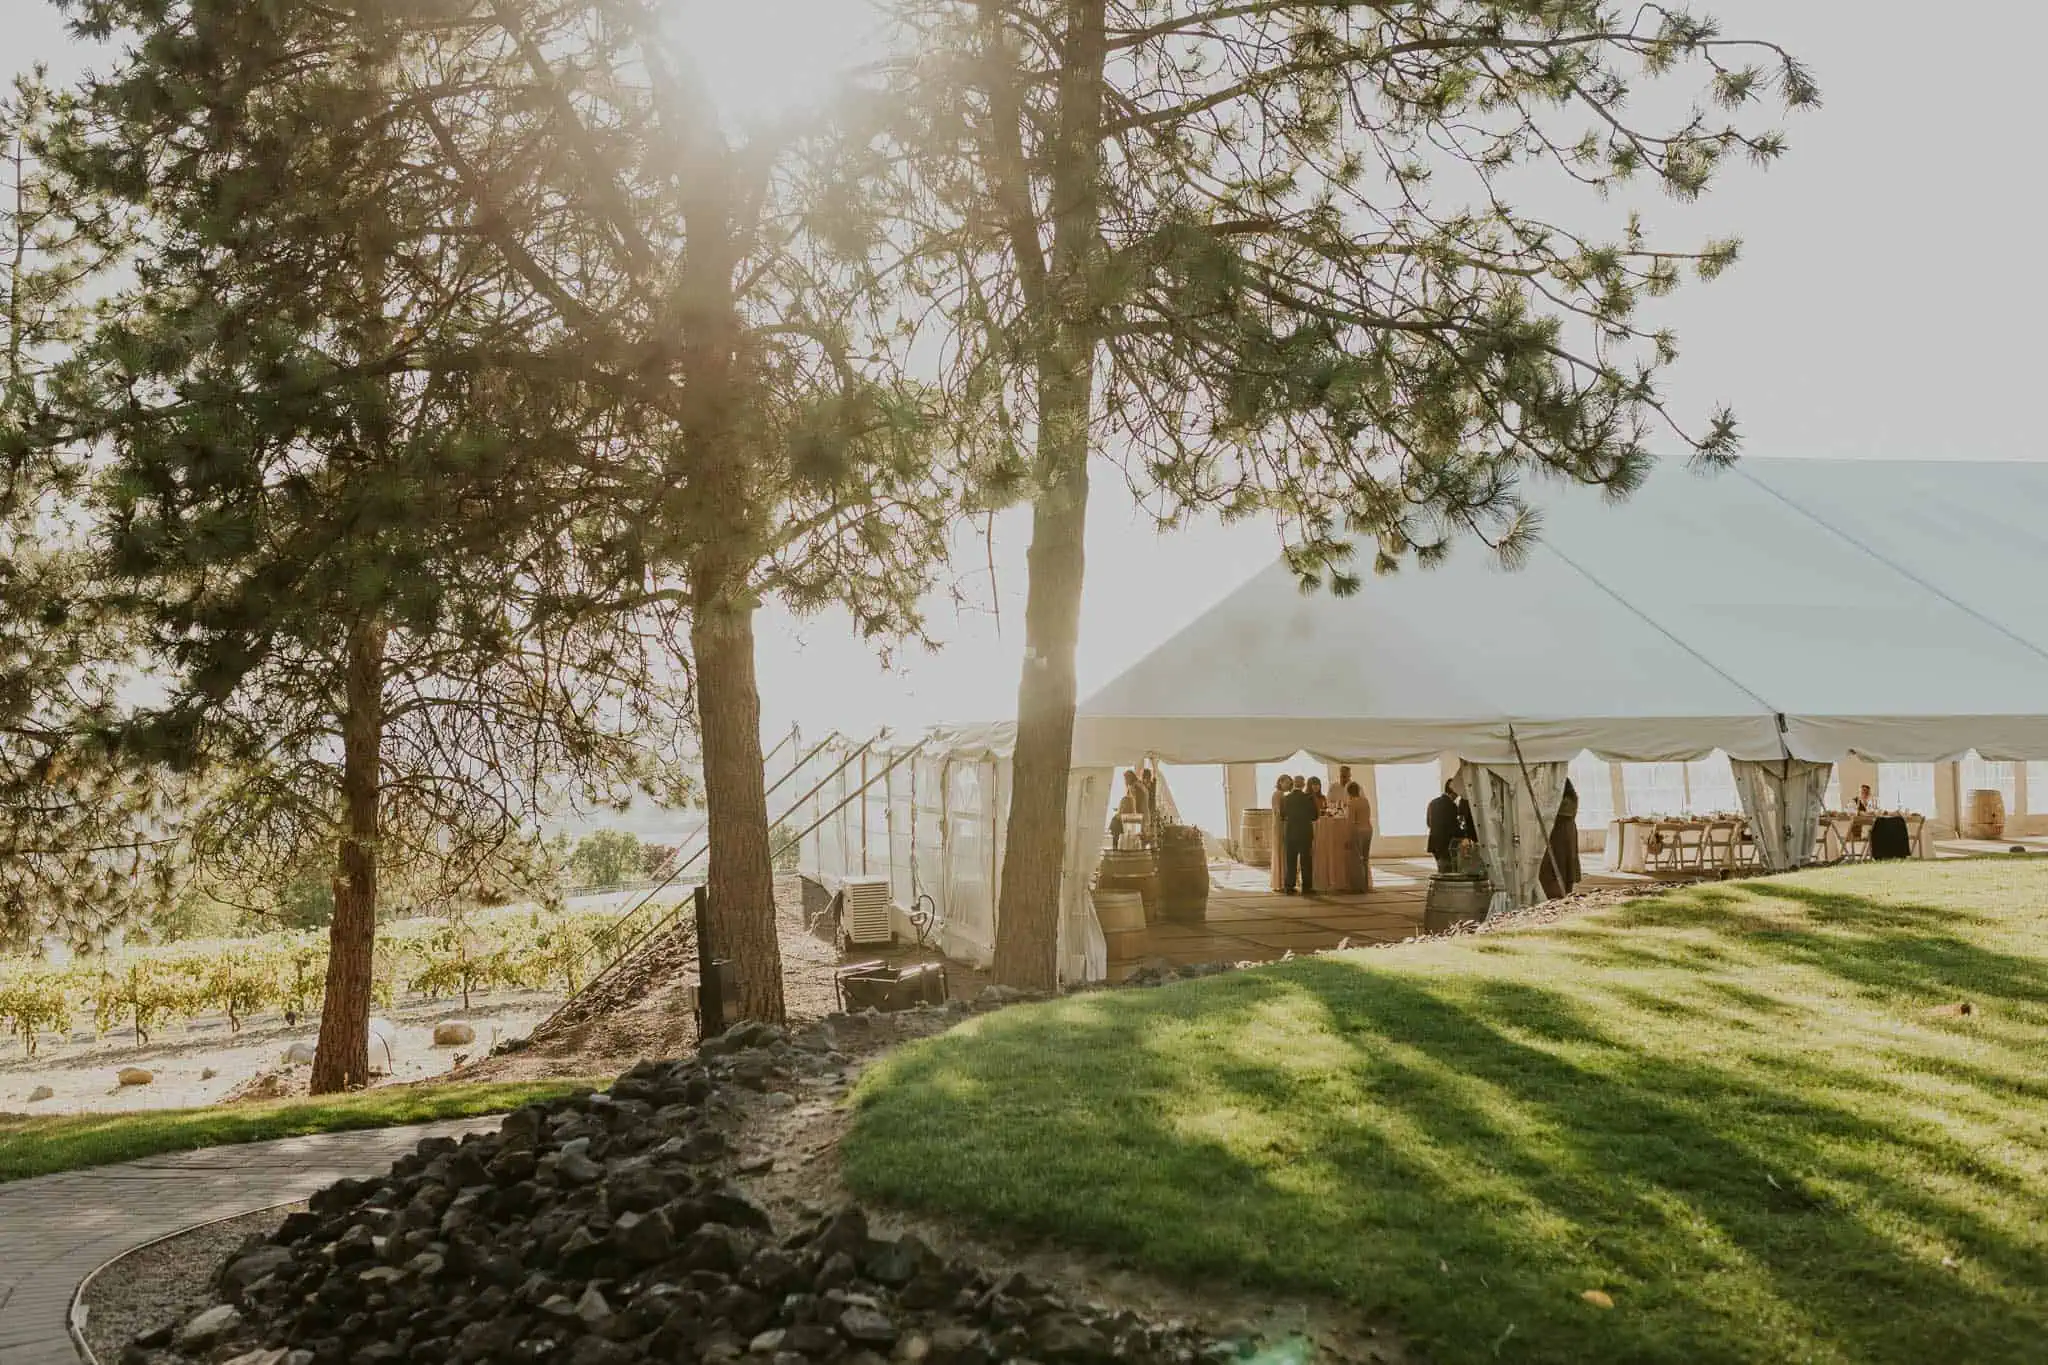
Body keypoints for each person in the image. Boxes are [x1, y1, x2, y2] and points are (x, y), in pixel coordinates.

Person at [1540, 777, 1582, 900]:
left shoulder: (1566, 798)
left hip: (1561, 832)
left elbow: (1566, 809)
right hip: (1556, 832)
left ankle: (1561, 893)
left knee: (1563, 863)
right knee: (1557, 864)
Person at [1427, 777, 1474, 874]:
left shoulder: (1433, 802)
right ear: (1454, 791)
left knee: (1441, 869)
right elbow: (1453, 828)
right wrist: (1465, 835)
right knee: (1447, 872)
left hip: (1434, 844)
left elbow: (1428, 822)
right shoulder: (1451, 806)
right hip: (1446, 845)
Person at [1281, 775, 1319, 894]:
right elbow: (1315, 816)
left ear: (1294, 784)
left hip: (1291, 833)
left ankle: (1289, 886)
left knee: (1291, 860)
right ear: (1303, 785)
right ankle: (1307, 887)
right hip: (1304, 833)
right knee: (1306, 861)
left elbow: (1283, 815)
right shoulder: (1308, 798)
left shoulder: (1286, 798)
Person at [1344, 780, 1373, 892]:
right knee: (1365, 859)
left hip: (1358, 831)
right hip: (1368, 829)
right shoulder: (1365, 801)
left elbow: (1351, 821)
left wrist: (1348, 838)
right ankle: (1365, 885)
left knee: (1357, 860)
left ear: (1349, 792)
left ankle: (1358, 886)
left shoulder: (1352, 803)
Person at [1268, 775, 1294, 891]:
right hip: (1280, 825)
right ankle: (1281, 881)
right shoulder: (1278, 794)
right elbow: (1279, 812)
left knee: (1281, 851)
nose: (1288, 785)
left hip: (1279, 824)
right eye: (1286, 782)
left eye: (1289, 782)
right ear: (1280, 782)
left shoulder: (1279, 794)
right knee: (1281, 851)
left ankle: (1281, 880)